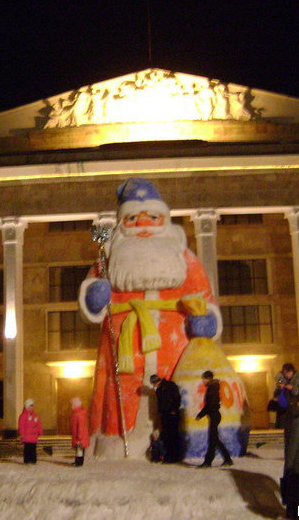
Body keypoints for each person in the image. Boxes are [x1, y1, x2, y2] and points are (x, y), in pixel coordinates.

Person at [80, 178, 221, 455]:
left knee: (173, 398)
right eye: (132, 218)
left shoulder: (184, 258)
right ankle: (119, 444)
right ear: (121, 223)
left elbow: (204, 296)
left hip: (175, 348)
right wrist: (94, 298)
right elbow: (92, 303)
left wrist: (207, 321)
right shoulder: (108, 259)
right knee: (124, 394)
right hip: (124, 346)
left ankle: (177, 444)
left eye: (153, 217)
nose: (143, 224)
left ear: (164, 220)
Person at [195, 370, 233, 467]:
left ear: (208, 378)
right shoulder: (213, 387)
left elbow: (210, 404)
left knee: (213, 440)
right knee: (214, 439)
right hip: (214, 415)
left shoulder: (212, 388)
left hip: (214, 415)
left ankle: (208, 462)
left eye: (204, 379)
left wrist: (200, 414)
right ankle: (227, 459)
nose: (203, 381)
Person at [150, 373, 182, 463]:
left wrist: (174, 409)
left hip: (171, 414)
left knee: (172, 435)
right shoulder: (160, 389)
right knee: (167, 436)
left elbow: (177, 398)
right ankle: (169, 456)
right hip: (165, 414)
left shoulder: (169, 386)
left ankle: (174, 456)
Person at [273, 363, 299, 440]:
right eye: (285, 373)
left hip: (293, 408)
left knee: (293, 429)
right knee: (286, 430)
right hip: (283, 408)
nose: (287, 375)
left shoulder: (298, 381)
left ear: (292, 372)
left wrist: (293, 389)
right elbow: (275, 394)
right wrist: (280, 388)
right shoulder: (281, 381)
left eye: (288, 372)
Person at [18, 399, 43, 464]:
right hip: (27, 436)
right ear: (27, 407)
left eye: (32, 406)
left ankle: (33, 460)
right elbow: (21, 425)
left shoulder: (35, 415)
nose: (31, 408)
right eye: (30, 406)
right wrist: (22, 433)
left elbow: (38, 424)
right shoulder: (23, 415)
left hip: (34, 436)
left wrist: (40, 431)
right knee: (27, 449)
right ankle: (27, 460)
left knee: (33, 449)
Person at [70, 397, 90, 466]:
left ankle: (79, 462)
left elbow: (80, 427)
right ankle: (77, 461)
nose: (71, 406)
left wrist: (79, 437)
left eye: (72, 404)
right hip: (79, 436)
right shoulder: (78, 413)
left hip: (79, 437)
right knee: (78, 450)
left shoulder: (78, 414)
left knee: (79, 451)